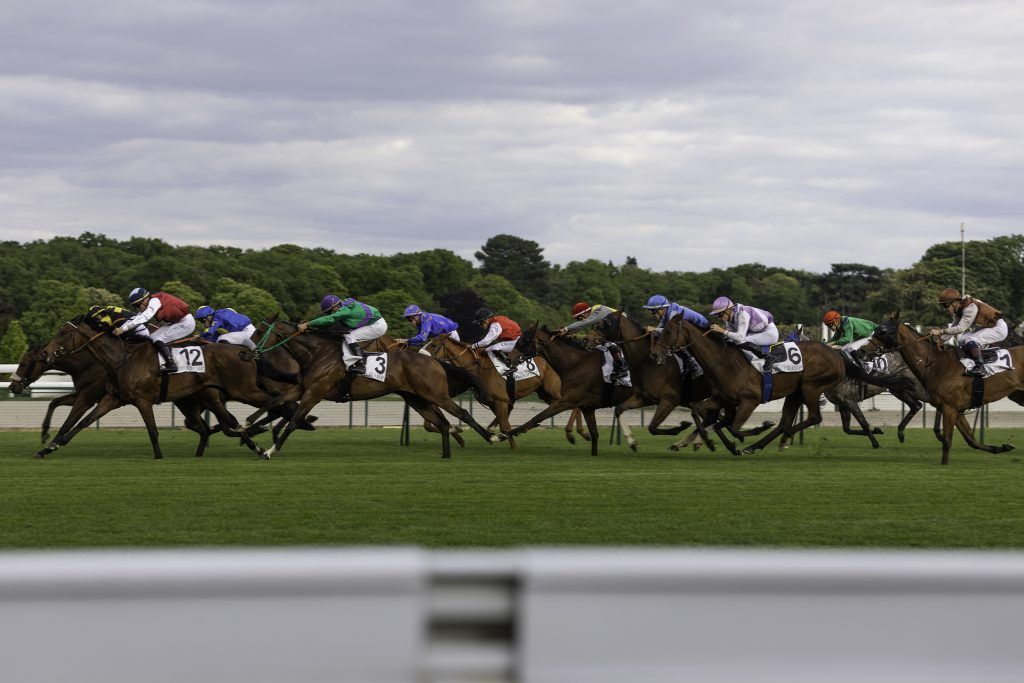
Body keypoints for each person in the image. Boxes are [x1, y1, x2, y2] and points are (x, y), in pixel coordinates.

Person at [297, 294, 387, 374]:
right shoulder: (344, 305)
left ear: (335, 307)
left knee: (349, 336)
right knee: (345, 334)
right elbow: (329, 319)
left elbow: (330, 319)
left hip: (377, 326)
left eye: (329, 311)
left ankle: (360, 364)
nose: (329, 314)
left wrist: (308, 324)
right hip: (373, 322)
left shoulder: (345, 310)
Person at [113, 287, 195, 373]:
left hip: (186, 323)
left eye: (137, 305)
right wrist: (121, 328)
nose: (137, 308)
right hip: (177, 322)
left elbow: (145, 317)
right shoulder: (151, 302)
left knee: (157, 338)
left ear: (144, 300)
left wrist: (124, 329)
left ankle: (171, 364)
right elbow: (137, 318)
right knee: (152, 337)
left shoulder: (154, 302)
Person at [931, 288, 1007, 376]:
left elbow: (961, 328)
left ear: (954, 303)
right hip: (990, 327)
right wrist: (940, 341)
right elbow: (954, 329)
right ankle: (972, 358)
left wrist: (940, 331)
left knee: (970, 340)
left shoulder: (970, 307)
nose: (945, 309)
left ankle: (980, 367)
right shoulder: (958, 311)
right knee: (961, 339)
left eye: (945, 306)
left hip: (999, 328)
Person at [557, 301, 628, 382]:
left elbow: (584, 323)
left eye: (579, 318)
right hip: (619, 333)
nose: (579, 321)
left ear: (585, 314)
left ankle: (622, 365)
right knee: (598, 345)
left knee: (607, 344)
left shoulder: (599, 310)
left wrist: (566, 329)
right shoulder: (595, 315)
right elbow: (582, 325)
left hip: (626, 331)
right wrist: (567, 333)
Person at [708, 296, 779, 373]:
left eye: (719, 315)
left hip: (769, 333)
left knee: (739, 341)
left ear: (728, 311)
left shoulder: (742, 314)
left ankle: (769, 357)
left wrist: (721, 330)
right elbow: (729, 335)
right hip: (758, 333)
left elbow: (739, 337)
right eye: (717, 316)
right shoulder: (729, 319)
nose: (719, 318)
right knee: (729, 340)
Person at [642, 294, 709, 337]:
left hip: (702, 328)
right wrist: (653, 330)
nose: (652, 314)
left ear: (661, 309)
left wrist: (654, 329)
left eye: (653, 312)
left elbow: (670, 332)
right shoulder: (665, 315)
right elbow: (660, 329)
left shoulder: (673, 314)